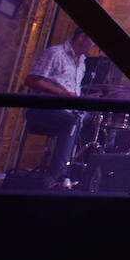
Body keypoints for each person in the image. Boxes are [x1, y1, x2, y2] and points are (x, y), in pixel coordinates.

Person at [23, 27, 96, 188]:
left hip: (69, 110)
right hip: (42, 108)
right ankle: (54, 178)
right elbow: (31, 80)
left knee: (96, 123)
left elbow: (71, 91)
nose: (94, 45)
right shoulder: (55, 53)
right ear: (81, 37)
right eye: (93, 40)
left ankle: (80, 174)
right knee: (72, 122)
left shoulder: (82, 63)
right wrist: (60, 93)